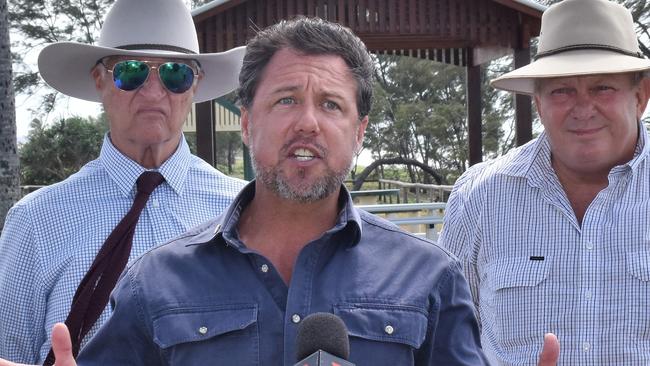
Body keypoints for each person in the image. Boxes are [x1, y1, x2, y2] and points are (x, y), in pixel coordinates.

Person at [8, 17, 491, 365]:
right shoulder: (151, 280)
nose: (307, 122)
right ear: (245, 122)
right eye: (286, 100)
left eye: (330, 104)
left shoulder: (430, 279)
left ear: (361, 131)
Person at [0, 0, 246, 363]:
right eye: (130, 73)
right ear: (99, 79)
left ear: (195, 84)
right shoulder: (36, 222)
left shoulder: (242, 209)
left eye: (175, 74)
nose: (152, 92)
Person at [438, 0, 650, 364]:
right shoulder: (480, 197)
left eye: (603, 88)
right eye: (561, 91)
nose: (583, 108)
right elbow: (446, 331)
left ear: (640, 97)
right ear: (538, 103)